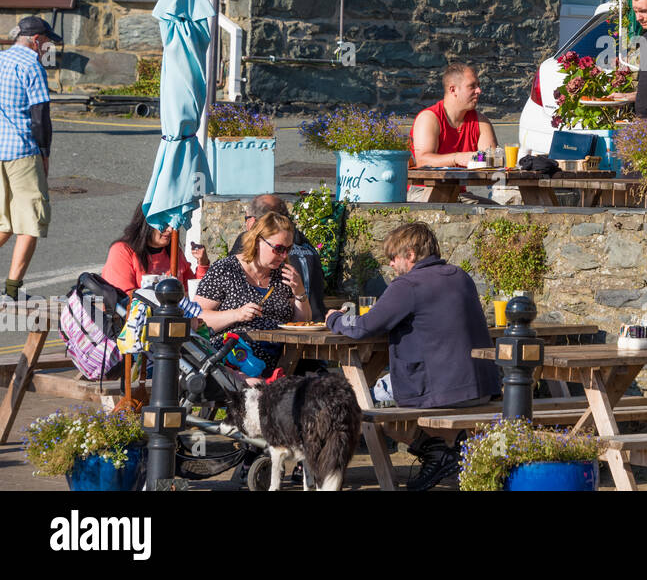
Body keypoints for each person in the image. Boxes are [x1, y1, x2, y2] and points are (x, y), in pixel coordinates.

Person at [326, 221, 499, 490]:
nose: (391, 265)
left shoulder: (408, 285)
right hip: (481, 387)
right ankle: (447, 449)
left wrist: (335, 318)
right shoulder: (459, 275)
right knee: (383, 394)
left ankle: (437, 452)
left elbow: (364, 327)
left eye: (393, 257)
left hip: (443, 390)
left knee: (363, 400)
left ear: (411, 254)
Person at [195, 213, 310, 369]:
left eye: (288, 249)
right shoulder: (226, 269)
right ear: (257, 241)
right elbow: (196, 320)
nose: (284, 256)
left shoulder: (283, 275)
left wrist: (300, 293)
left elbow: (301, 323)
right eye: (278, 249)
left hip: (282, 359)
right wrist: (236, 314)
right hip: (235, 359)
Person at [0, 16, 59, 301]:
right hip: (22, 151)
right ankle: (13, 288)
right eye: (46, 42)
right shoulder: (31, 65)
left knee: (3, 224)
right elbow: (40, 118)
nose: (47, 47)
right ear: (35, 40)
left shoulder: (1, 60)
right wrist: (45, 153)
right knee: (30, 222)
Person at [229, 194, 327, 320]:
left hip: (290, 328)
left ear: (253, 222)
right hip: (316, 321)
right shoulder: (307, 245)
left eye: (247, 218)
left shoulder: (251, 243)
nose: (284, 254)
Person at [101, 202, 206, 297]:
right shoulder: (122, 251)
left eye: (172, 224)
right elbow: (122, 296)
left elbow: (196, 293)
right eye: (164, 224)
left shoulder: (174, 252)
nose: (170, 229)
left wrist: (203, 263)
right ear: (146, 223)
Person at [410, 63, 499, 167]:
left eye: (478, 85)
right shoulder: (429, 118)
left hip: (460, 183)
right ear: (453, 90)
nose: (479, 90)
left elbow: (493, 161)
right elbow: (422, 161)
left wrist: (484, 159)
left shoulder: (481, 122)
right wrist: (457, 158)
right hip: (425, 183)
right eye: (472, 86)